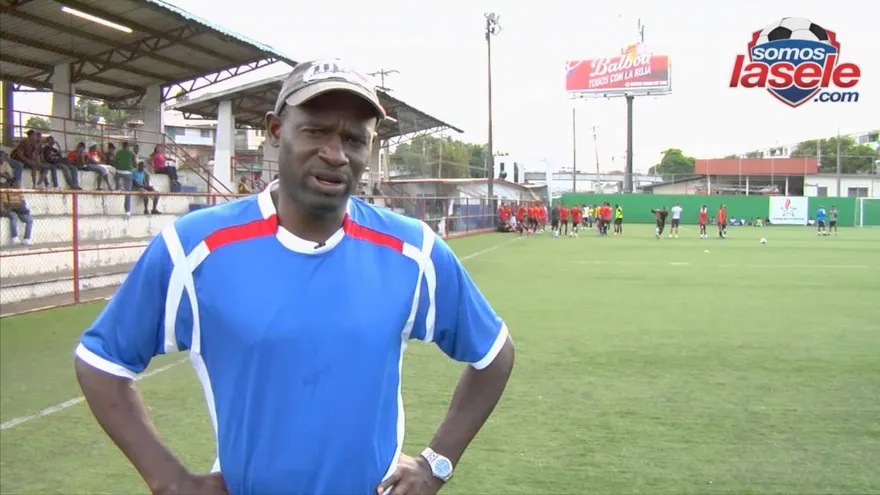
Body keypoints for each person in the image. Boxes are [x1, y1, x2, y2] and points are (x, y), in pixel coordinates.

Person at [73, 59, 514, 495]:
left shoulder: (412, 250)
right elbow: (101, 361)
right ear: (275, 129)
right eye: (316, 130)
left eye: (354, 139)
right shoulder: (194, 249)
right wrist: (169, 480)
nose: (336, 154)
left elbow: (495, 353)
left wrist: (436, 463)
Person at [114, 142, 137, 215]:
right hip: (128, 173)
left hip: (119, 172)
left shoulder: (118, 152)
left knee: (115, 177)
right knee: (128, 193)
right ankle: (127, 211)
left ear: (122, 146)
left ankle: (118, 187)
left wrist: (118, 168)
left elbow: (115, 162)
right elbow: (135, 164)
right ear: (128, 146)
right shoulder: (131, 153)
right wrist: (132, 167)